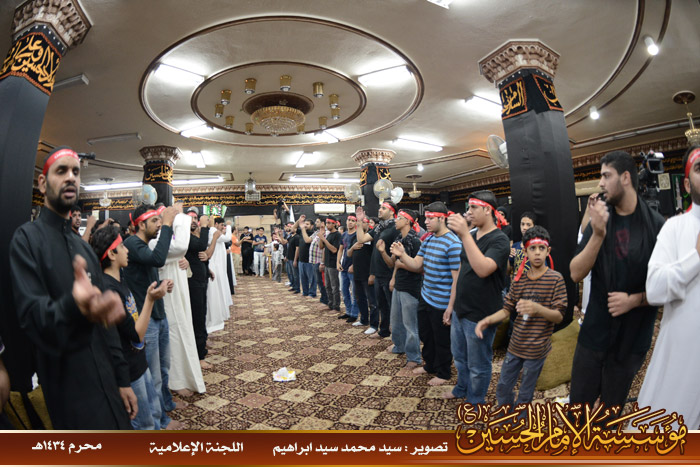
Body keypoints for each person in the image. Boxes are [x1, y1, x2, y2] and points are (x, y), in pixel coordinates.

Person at [10, 146, 130, 429]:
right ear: (43, 183)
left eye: (76, 172)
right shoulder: (26, 240)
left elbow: (106, 325)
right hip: (69, 388)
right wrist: (73, 305)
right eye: (61, 171)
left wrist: (123, 379)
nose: (71, 177)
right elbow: (32, 317)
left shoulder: (83, 248)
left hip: (108, 381)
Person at [569, 150, 664, 415]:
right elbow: (575, 273)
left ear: (625, 178)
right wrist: (598, 234)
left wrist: (635, 300)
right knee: (578, 410)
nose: (600, 183)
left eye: (606, 175)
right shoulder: (601, 220)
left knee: (608, 413)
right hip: (594, 334)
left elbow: (668, 287)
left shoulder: (656, 226)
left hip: (631, 341)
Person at [638, 145, 700, 429]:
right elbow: (654, 289)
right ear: (687, 184)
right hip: (684, 359)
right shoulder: (675, 228)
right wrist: (695, 257)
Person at [475, 226, 567, 408]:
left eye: (541, 248)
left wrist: (537, 308)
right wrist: (487, 320)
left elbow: (558, 317)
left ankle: (521, 419)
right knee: (503, 386)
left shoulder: (556, 279)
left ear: (548, 251)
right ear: (525, 252)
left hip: (537, 349)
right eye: (532, 248)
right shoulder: (519, 280)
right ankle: (505, 415)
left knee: (525, 392)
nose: (537, 253)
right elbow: (506, 309)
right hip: (516, 346)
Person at [91, 225, 172, 430]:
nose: (127, 250)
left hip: (138, 362)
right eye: (122, 247)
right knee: (143, 424)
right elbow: (136, 334)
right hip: (129, 370)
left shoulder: (119, 281)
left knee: (153, 413)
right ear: (111, 254)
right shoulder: (108, 290)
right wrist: (150, 300)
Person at [123, 202, 183, 430]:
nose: (159, 225)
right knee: (154, 375)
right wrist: (168, 223)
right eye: (155, 221)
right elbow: (158, 259)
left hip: (158, 314)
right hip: (145, 321)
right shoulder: (132, 243)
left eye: (160, 220)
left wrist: (161, 284)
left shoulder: (143, 246)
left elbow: (148, 272)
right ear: (141, 224)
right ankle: (160, 422)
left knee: (164, 368)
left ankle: (165, 404)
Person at [445, 191, 510, 399]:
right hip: (461, 309)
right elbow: (462, 271)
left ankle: (475, 402)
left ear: (488, 210)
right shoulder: (472, 236)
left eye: (474, 207)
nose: (469, 212)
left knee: (478, 365)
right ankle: (461, 389)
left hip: (481, 313)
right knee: (460, 358)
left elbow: (483, 269)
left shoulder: (499, 239)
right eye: (468, 207)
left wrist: (464, 235)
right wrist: (451, 305)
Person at [391, 201, 461, 385]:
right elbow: (416, 264)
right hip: (426, 296)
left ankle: (444, 372)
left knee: (441, 340)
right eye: (426, 218)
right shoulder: (429, 239)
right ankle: (430, 365)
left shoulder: (453, 243)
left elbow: (457, 280)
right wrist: (402, 254)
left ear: (442, 219)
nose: (426, 222)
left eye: (430, 218)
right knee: (426, 335)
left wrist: (450, 307)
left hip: (442, 302)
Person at [149, 207, 206, 397]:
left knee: (182, 328)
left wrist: (185, 262)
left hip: (179, 292)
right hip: (166, 294)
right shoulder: (153, 241)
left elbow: (179, 254)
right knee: (172, 332)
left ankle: (182, 377)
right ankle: (174, 380)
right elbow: (179, 248)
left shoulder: (166, 238)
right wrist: (181, 218)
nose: (160, 224)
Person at [385, 209, 422, 368]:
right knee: (396, 321)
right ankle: (399, 346)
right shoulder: (399, 238)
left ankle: (414, 357)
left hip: (410, 287)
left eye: (399, 218)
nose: (396, 220)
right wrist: (393, 277)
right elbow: (395, 263)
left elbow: (419, 268)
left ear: (407, 221)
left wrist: (401, 264)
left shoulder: (416, 241)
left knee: (410, 325)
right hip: (399, 284)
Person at [356, 201, 399, 338]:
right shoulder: (379, 228)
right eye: (380, 207)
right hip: (378, 273)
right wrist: (359, 221)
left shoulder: (396, 227)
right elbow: (361, 239)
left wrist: (394, 277)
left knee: (393, 307)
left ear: (392, 212)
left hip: (389, 273)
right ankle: (384, 331)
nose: (380, 210)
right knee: (382, 305)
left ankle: (396, 338)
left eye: (383, 208)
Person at [185, 212, 218, 370]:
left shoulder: (192, 236)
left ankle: (202, 347)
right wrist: (205, 227)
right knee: (197, 317)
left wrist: (207, 269)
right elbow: (200, 246)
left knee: (202, 314)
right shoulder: (184, 236)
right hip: (193, 282)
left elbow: (200, 255)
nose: (194, 221)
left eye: (195, 219)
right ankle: (199, 356)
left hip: (201, 279)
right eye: (190, 219)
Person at [347, 208, 377, 330]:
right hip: (357, 273)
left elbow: (375, 256)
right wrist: (353, 247)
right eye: (361, 222)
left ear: (368, 224)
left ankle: (374, 325)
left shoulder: (372, 237)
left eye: (364, 222)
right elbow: (348, 254)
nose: (362, 224)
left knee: (372, 301)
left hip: (368, 273)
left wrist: (372, 274)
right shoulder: (355, 238)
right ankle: (364, 320)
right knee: (360, 298)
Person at [204, 217, 232, 332]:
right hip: (215, 265)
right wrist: (229, 226)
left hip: (219, 265)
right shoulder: (212, 231)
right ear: (215, 224)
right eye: (221, 225)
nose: (222, 227)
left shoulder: (213, 231)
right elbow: (227, 238)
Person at [337, 215, 359, 322]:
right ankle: (348, 311)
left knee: (354, 293)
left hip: (353, 268)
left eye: (352, 220)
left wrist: (354, 265)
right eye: (349, 220)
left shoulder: (358, 235)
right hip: (344, 267)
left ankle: (354, 314)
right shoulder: (344, 235)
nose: (350, 222)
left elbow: (360, 253)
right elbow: (341, 250)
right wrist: (338, 262)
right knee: (344, 291)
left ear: (356, 223)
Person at [318, 215, 342, 312]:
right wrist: (321, 237)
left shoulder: (337, 235)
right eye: (326, 223)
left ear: (334, 224)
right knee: (327, 286)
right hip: (327, 264)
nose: (327, 225)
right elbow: (321, 247)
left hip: (333, 264)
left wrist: (323, 239)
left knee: (334, 286)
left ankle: (336, 306)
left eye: (329, 223)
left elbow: (334, 250)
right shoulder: (328, 235)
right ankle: (330, 304)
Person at [309, 218, 329, 305]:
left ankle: (326, 300)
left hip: (320, 261)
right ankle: (323, 298)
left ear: (323, 223)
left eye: (317, 221)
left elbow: (324, 248)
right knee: (319, 281)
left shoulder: (326, 233)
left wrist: (322, 262)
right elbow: (308, 240)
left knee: (322, 282)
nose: (315, 223)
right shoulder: (317, 232)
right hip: (315, 261)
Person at [295, 216, 316, 297]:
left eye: (307, 224)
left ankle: (312, 293)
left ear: (312, 226)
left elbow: (307, 241)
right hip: (301, 260)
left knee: (312, 279)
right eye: (305, 224)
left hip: (310, 260)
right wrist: (299, 220)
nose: (305, 225)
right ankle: (305, 292)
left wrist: (303, 228)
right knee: (303, 278)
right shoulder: (301, 231)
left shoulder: (314, 233)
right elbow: (293, 229)